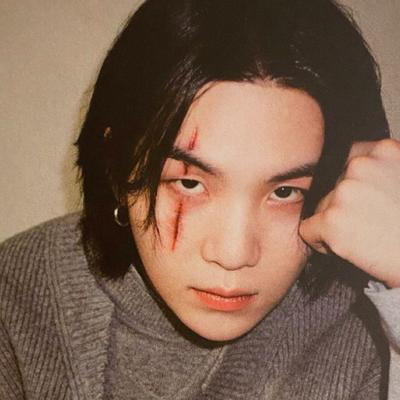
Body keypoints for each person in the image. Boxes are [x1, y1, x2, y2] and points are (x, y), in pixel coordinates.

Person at [1, 0, 400, 398]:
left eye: (284, 192)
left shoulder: (367, 324)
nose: (233, 254)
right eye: (190, 183)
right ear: (116, 167)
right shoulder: (15, 295)